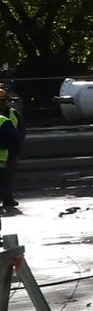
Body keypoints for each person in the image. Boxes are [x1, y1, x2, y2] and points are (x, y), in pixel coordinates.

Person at [0, 83, 22, 216]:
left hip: (11, 152)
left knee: (8, 176)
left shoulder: (14, 114)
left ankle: (8, 198)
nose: (3, 104)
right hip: (4, 152)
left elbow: (20, 132)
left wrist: (16, 147)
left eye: (4, 101)